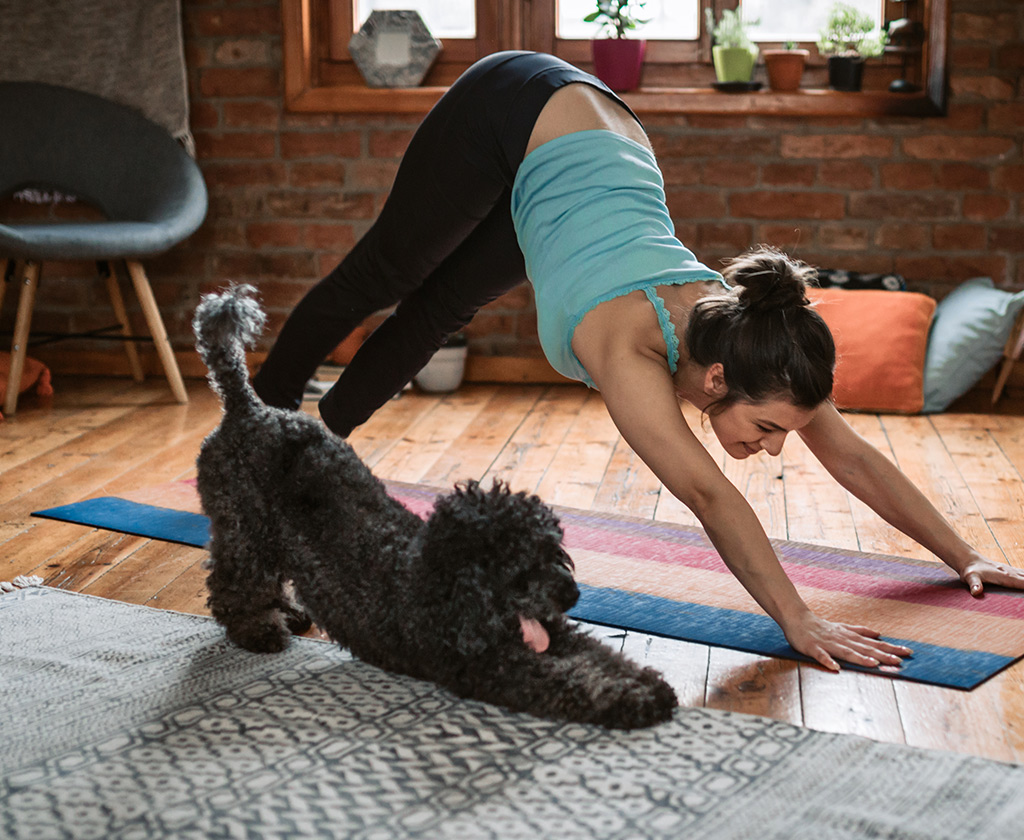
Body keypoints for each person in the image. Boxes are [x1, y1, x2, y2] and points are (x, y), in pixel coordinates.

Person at [253, 51, 1024, 671]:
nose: (778, 447)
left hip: (591, 145)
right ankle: (259, 423)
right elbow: (714, 500)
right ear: (716, 381)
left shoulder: (757, 345)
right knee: (386, 276)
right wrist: (798, 618)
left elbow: (850, 455)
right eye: (767, 428)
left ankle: (317, 437)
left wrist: (964, 556)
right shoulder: (630, 351)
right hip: (515, 105)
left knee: (442, 309)